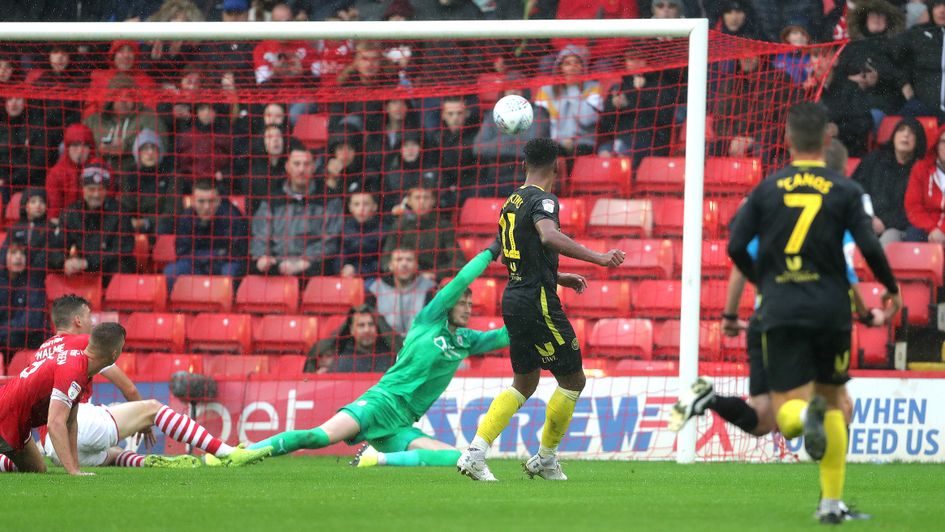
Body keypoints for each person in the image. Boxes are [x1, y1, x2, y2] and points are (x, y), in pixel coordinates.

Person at [727, 102, 901, 523]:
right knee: (837, 401)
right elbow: (870, 245)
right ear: (826, 139)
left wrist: (764, 281)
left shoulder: (767, 189)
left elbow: (735, 246)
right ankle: (829, 505)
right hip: (831, 310)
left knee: (788, 411)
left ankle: (807, 418)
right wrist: (891, 288)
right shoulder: (845, 190)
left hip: (782, 308)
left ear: (787, 140)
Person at [240, 246, 509, 468]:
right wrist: (490, 252)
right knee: (318, 437)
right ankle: (239, 453)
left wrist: (541, 310)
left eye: (470, 304)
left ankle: (377, 458)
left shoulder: (466, 340)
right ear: (449, 304)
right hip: (381, 403)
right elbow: (461, 280)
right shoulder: (428, 320)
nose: (467, 308)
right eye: (462, 303)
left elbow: (503, 337)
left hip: (402, 423)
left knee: (458, 458)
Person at [457, 138, 626, 482]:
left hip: (515, 296)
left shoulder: (511, 201)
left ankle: (476, 453)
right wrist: (599, 258)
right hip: (537, 301)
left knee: (525, 382)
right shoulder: (544, 199)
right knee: (574, 379)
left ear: (524, 165)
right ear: (557, 167)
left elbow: (512, 253)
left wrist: (557, 276)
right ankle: (545, 459)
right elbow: (548, 236)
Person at [0, 322, 125, 475]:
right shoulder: (74, 370)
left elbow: (71, 422)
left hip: (16, 419)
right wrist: (72, 471)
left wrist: (75, 467)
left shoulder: (82, 368)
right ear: (114, 354)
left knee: (37, 470)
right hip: (5, 416)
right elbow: (55, 423)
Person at [250, 141, 343, 276]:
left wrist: (304, 261)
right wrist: (263, 257)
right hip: (276, 268)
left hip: (313, 269)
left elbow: (330, 241)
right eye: (296, 164)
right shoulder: (272, 200)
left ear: (313, 168)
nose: (301, 169)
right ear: (288, 166)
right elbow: (260, 236)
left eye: (306, 164)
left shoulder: (330, 200)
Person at [853, 117, 926, 244]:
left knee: (889, 237)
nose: (906, 134)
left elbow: (918, 210)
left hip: (898, 229)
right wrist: (868, 217)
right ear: (893, 136)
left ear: (918, 140)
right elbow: (855, 190)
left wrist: (885, 223)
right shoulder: (874, 159)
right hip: (866, 221)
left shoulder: (922, 170)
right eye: (901, 130)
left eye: (912, 132)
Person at [165, 179, 248, 290]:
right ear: (193, 201)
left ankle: (225, 306)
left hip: (223, 265)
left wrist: (206, 257)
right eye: (201, 201)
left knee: (230, 272)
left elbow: (238, 253)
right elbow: (182, 252)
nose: (206, 207)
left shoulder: (233, 216)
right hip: (196, 265)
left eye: (211, 201)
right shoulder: (186, 218)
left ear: (219, 200)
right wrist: (215, 255)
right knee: (171, 271)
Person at [60, 161, 136, 276]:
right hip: (81, 270)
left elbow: (122, 250)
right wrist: (64, 262)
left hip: (109, 271)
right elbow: (57, 245)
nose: (96, 194)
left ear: (106, 190)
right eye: (91, 189)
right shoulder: (70, 213)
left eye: (100, 189)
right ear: (83, 189)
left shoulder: (121, 212)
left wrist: (88, 262)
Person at [304, 303, 401, 373]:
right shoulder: (340, 362)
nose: (367, 330)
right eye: (361, 325)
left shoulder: (392, 358)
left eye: (371, 324)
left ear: (377, 328)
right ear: (351, 330)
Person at [368, 246, 437, 336]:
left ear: (416, 265)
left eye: (409, 260)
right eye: (399, 259)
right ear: (390, 265)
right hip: (386, 345)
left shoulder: (430, 288)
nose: (404, 264)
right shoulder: (376, 289)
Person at [0, 233, 46, 362]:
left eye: (22, 253)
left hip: (27, 339)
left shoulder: (35, 282)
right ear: (5, 256)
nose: (18, 257)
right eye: (14, 253)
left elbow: (32, 321)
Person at [904, 124, 945, 243]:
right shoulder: (921, 168)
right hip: (926, 227)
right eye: (944, 142)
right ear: (937, 145)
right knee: (913, 235)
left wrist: (942, 230)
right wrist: (932, 229)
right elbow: (913, 206)